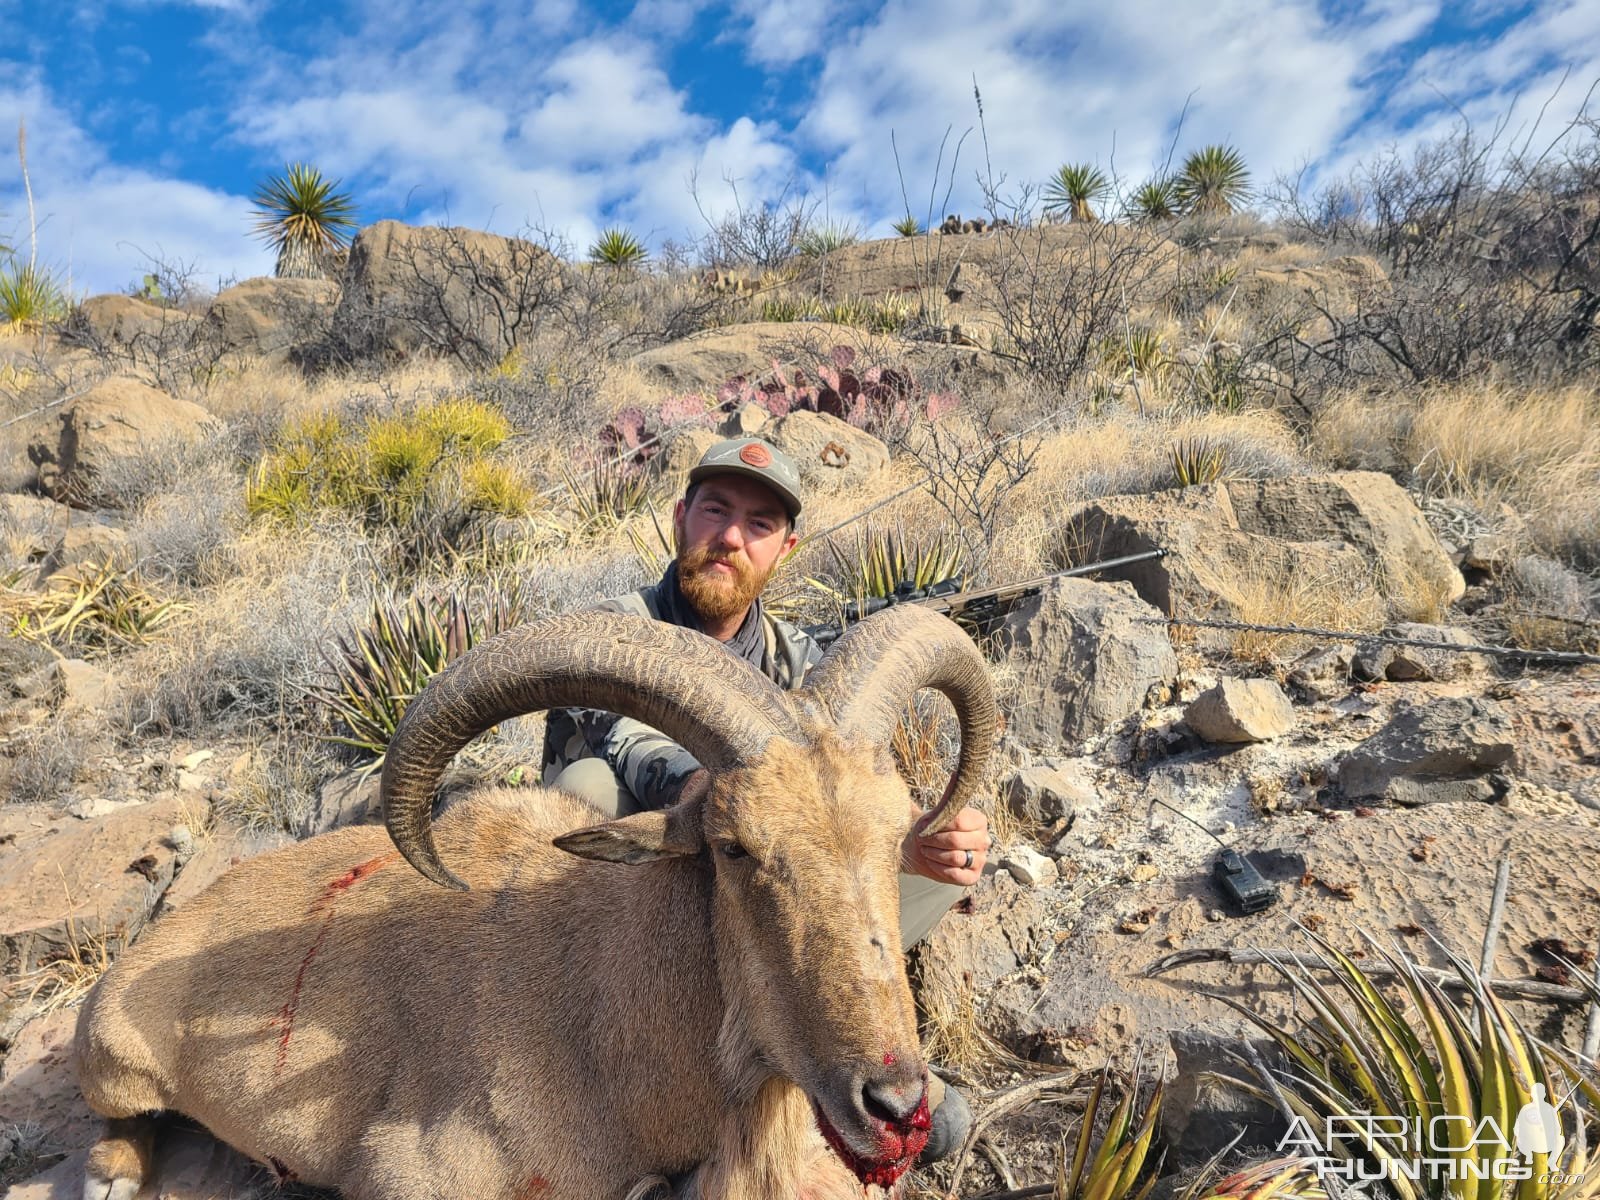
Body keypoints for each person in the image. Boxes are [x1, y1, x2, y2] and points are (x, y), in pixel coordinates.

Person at [539, 435, 988, 1160]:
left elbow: (840, 797)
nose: (730, 538)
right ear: (682, 515)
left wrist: (918, 839)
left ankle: (832, 1024)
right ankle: (594, 1053)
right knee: (584, 786)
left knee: (925, 863)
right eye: (716, 510)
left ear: (786, 547)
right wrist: (711, 793)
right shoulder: (614, 630)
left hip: (759, 902)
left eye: (759, 524)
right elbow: (622, 741)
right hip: (627, 911)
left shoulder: (803, 664)